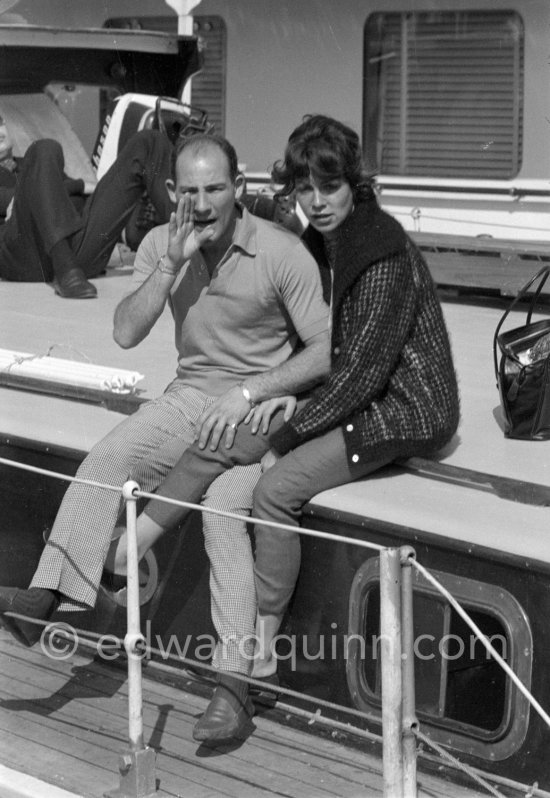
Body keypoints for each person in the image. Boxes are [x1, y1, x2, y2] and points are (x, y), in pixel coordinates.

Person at [106, 113, 461, 740]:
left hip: (404, 409)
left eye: (329, 187)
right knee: (229, 442)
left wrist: (285, 424)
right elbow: (334, 356)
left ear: (355, 184)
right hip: (356, 391)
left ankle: (251, 646)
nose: (316, 203)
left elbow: (361, 373)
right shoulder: (330, 237)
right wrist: (281, 398)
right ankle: (136, 550)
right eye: (303, 190)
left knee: (271, 482)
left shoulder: (377, 251)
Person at [0, 130, 330, 734]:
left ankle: (233, 687)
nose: (203, 205)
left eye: (216, 189)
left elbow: (326, 351)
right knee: (105, 460)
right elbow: (126, 332)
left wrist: (257, 391)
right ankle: (50, 598)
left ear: (240, 188)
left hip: (257, 416)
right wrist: (173, 262)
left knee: (226, 511)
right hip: (186, 401)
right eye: (191, 191)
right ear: (174, 192)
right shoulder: (160, 243)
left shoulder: (283, 254)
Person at [0, 115, 175, 297]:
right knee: (44, 147)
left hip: (76, 253)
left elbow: (57, 200)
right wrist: (80, 185)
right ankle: (65, 267)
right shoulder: (38, 158)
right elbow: (16, 196)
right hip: (23, 256)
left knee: (149, 142)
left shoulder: (35, 163)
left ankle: (191, 247)